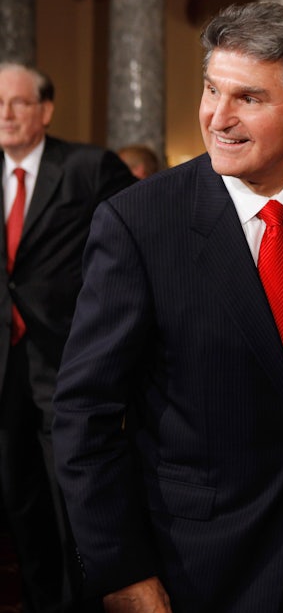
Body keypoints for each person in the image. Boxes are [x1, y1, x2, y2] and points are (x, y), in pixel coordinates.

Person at [52, 1, 283, 612]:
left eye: (248, 98)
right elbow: (83, 415)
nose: (218, 117)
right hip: (195, 558)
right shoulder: (139, 223)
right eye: (211, 90)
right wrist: (120, 571)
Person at [0, 62, 136, 612]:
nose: (5, 114)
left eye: (18, 103)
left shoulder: (86, 166)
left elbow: (134, 236)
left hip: (68, 358)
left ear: (46, 111)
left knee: (73, 503)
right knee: (20, 501)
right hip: (6, 365)